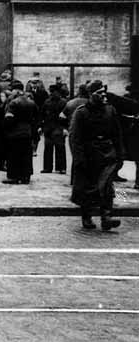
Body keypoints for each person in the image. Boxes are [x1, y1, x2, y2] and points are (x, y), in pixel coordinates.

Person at [70, 80, 124, 231]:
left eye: (104, 92)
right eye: (99, 93)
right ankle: (86, 216)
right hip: (89, 156)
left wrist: (120, 154)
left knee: (107, 186)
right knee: (88, 188)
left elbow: (117, 134)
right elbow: (75, 138)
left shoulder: (110, 111)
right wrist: (79, 158)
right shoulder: (81, 112)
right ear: (90, 95)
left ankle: (106, 217)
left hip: (107, 154)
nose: (103, 95)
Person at [2, 81, 39, 185]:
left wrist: (7, 129)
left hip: (14, 133)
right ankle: (26, 176)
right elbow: (37, 116)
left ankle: (13, 176)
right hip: (27, 131)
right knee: (26, 154)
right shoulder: (31, 102)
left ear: (15, 90)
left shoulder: (13, 102)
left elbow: (8, 118)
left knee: (13, 154)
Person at [40, 84, 68, 174]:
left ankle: (61, 167)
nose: (52, 93)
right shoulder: (47, 102)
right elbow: (42, 115)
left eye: (53, 92)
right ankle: (48, 167)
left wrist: (65, 128)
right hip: (48, 128)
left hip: (59, 127)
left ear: (58, 92)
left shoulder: (63, 102)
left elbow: (67, 117)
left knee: (60, 148)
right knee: (48, 148)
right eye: (51, 92)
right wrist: (41, 126)